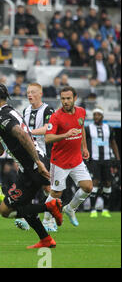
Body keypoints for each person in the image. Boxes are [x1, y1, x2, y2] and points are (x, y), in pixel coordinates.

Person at [0, 82, 63, 249]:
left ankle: (49, 207)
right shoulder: (9, 112)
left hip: (33, 166)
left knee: (5, 210)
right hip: (29, 167)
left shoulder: (3, 118)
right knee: (21, 206)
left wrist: (37, 162)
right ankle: (45, 239)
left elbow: (23, 135)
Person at [45, 86, 93, 227]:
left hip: (76, 159)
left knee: (88, 187)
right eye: (63, 99)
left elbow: (81, 128)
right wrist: (65, 135)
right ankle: (47, 220)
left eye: (68, 98)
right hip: (59, 161)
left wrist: (84, 147)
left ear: (75, 98)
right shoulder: (56, 116)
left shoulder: (81, 112)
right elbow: (48, 138)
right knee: (56, 193)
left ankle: (70, 208)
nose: (65, 101)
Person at [18, 83, 56, 231]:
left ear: (40, 94)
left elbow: (48, 128)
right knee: (25, 184)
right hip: (27, 153)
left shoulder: (48, 109)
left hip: (43, 153)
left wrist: (30, 133)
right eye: (28, 92)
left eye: (33, 92)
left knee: (47, 187)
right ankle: (24, 217)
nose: (30, 95)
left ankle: (50, 218)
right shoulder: (25, 110)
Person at [85, 108, 120, 218]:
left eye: (98, 114)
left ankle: (105, 208)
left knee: (107, 183)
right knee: (95, 182)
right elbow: (83, 143)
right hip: (94, 160)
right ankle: (92, 209)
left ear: (102, 116)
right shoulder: (88, 128)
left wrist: (117, 159)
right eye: (94, 114)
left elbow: (113, 143)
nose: (96, 116)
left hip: (107, 159)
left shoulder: (108, 128)